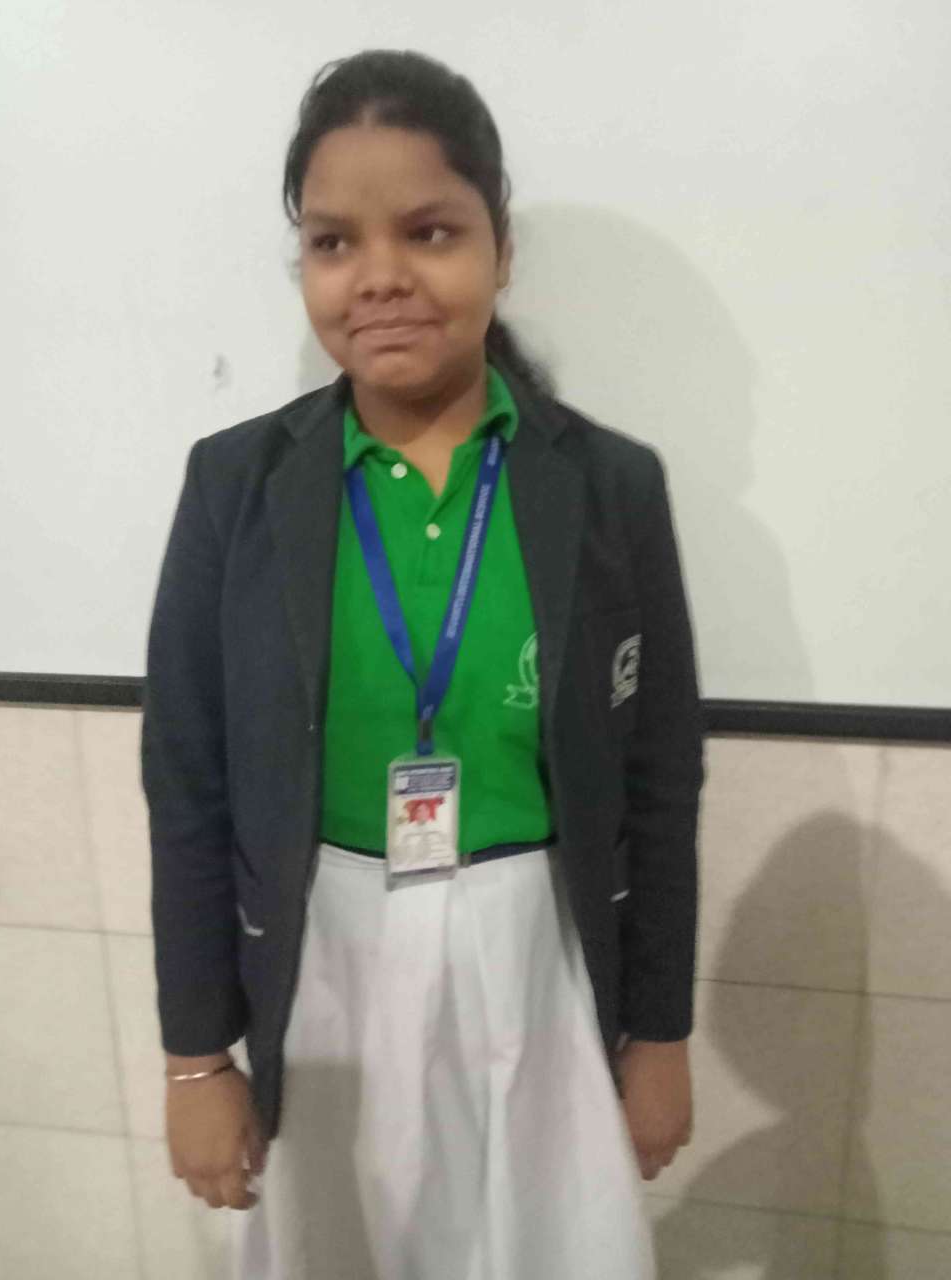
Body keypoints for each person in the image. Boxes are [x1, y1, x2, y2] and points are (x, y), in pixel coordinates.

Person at [141, 47, 705, 1280]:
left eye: (431, 231)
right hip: (322, 959)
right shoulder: (235, 486)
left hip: (542, 959)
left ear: (501, 248)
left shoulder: (608, 486)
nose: (381, 275)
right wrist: (197, 1059)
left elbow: (661, 787)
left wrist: (660, 1034)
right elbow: (187, 790)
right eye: (333, 242)